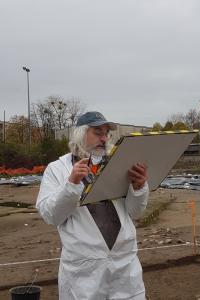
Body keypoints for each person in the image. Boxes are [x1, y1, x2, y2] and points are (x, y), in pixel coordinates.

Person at [36, 111, 149, 300]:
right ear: (81, 134)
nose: (104, 138)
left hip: (124, 264)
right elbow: (50, 216)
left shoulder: (119, 164)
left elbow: (134, 212)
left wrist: (139, 187)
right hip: (84, 269)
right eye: (98, 132)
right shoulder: (57, 169)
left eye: (107, 134)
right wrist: (71, 184)